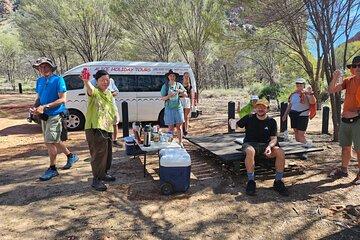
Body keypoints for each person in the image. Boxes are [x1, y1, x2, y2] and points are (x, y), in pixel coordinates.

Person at [31, 57, 79, 181]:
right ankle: (71, 156)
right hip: (44, 116)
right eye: (40, 67)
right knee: (55, 140)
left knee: (49, 142)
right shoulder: (39, 80)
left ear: (51, 67)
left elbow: (63, 99)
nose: (43, 68)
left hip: (55, 115)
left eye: (45, 66)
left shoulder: (58, 80)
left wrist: (45, 106)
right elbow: (39, 98)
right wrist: (34, 107)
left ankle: (52, 169)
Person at [229, 99, 289, 196]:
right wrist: (232, 123)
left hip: (266, 146)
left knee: (280, 152)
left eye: (263, 107)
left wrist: (269, 147)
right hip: (250, 144)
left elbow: (274, 139)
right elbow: (236, 126)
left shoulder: (271, 121)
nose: (261, 109)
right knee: (250, 151)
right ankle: (251, 182)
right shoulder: (249, 118)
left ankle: (278, 182)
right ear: (255, 108)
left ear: (267, 109)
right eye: (258, 107)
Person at [82, 69, 117, 191]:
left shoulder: (108, 93)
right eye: (102, 80)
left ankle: (103, 174)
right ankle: (96, 179)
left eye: (107, 80)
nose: (105, 82)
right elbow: (90, 90)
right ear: (97, 81)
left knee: (107, 154)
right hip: (95, 128)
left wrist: (115, 118)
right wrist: (86, 81)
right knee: (98, 155)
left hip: (107, 127)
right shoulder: (94, 92)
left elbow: (111, 107)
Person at [328, 55, 360, 184]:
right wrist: (335, 77)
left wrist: (356, 113)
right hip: (345, 121)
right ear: (352, 69)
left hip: (358, 120)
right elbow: (331, 89)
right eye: (355, 66)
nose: (357, 68)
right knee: (345, 147)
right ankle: (344, 170)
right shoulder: (348, 81)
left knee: (359, 149)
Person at [282, 78, 317, 159]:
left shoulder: (307, 94)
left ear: (303, 85)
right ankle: (299, 150)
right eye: (297, 85)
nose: (299, 86)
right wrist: (285, 115)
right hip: (293, 114)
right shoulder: (293, 94)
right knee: (296, 132)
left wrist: (311, 93)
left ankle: (306, 149)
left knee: (301, 134)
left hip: (303, 115)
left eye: (301, 85)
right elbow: (290, 105)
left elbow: (313, 102)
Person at [90, 77, 121, 147]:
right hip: (100, 108)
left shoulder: (111, 80)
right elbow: (91, 93)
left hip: (112, 106)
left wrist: (109, 94)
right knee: (102, 124)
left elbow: (116, 91)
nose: (105, 81)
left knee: (115, 123)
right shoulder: (92, 81)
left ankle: (115, 140)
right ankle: (104, 141)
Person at [161, 69, 187, 148]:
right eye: (170, 76)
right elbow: (163, 98)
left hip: (178, 108)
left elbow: (185, 94)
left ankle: (180, 142)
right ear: (168, 77)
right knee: (170, 127)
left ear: (175, 77)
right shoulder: (165, 86)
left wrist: (180, 91)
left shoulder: (178, 85)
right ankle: (170, 143)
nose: (172, 77)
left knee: (179, 127)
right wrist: (169, 96)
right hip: (169, 108)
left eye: (173, 76)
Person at [180, 72, 195, 136]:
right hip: (181, 100)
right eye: (185, 76)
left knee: (186, 117)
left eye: (187, 77)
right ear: (183, 77)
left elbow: (192, 96)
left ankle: (186, 130)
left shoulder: (190, 86)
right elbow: (177, 93)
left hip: (187, 101)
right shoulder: (180, 85)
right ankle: (182, 130)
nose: (186, 78)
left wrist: (192, 104)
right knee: (181, 117)